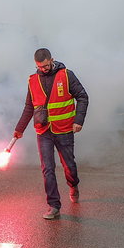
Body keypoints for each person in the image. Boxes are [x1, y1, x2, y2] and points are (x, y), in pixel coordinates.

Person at [13, 48, 89, 220]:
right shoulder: (32, 81)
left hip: (64, 129)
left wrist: (78, 120)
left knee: (69, 165)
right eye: (40, 67)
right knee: (48, 168)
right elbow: (28, 107)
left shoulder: (67, 75)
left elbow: (83, 97)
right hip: (43, 130)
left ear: (52, 60)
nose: (43, 69)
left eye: (46, 66)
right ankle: (53, 205)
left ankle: (73, 185)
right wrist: (19, 129)